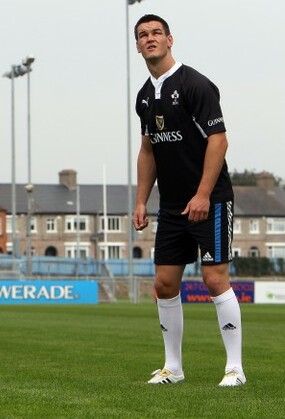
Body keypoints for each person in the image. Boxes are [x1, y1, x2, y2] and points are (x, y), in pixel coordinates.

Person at [132, 14, 245, 387]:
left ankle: (235, 369)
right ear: (137, 46)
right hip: (171, 207)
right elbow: (148, 150)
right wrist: (140, 201)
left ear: (170, 40)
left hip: (210, 201)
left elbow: (219, 140)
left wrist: (203, 194)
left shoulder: (195, 84)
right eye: (143, 35)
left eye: (156, 33)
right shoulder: (144, 96)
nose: (150, 38)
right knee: (164, 283)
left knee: (214, 279)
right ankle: (173, 368)